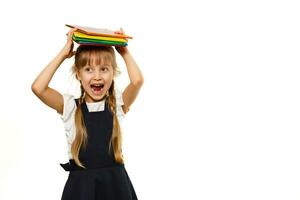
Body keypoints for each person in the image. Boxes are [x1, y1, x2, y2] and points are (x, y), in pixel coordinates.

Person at [31, 28, 143, 200]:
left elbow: (137, 81)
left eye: (104, 69)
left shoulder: (117, 105)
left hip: (116, 186)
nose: (97, 76)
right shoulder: (70, 107)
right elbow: (38, 88)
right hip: (81, 188)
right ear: (78, 74)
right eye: (89, 69)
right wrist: (64, 53)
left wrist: (124, 51)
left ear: (113, 73)